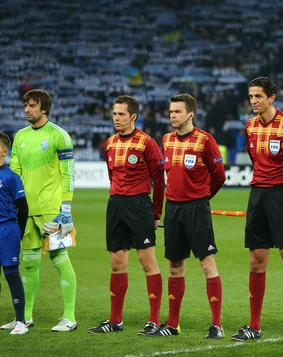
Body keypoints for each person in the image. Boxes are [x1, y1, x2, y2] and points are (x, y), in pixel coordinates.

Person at [230, 77, 283, 342]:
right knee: (256, 260)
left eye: (258, 97)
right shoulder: (250, 125)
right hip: (258, 195)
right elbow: (255, 159)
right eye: (251, 96)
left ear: (271, 98)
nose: (253, 101)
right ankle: (254, 326)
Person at [148, 94, 226, 337]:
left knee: (207, 264)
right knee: (174, 265)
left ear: (190, 114)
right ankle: (172, 324)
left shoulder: (205, 140)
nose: (172, 115)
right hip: (173, 209)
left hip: (196, 208)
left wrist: (202, 197)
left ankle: (217, 325)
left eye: (177, 112)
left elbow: (219, 175)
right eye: (171, 111)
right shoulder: (167, 140)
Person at [0, 89, 77, 332]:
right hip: (27, 211)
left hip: (52, 211)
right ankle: (25, 316)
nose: (27, 110)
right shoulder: (20, 136)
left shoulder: (59, 136)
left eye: (32, 106)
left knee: (60, 259)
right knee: (29, 263)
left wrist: (65, 209)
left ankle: (69, 317)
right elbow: (15, 173)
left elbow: (68, 174)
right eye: (25, 105)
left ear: (44, 108)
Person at [88, 95, 165, 335]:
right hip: (116, 205)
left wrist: (156, 212)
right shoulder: (110, 143)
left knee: (146, 262)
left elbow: (159, 181)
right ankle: (115, 321)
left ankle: (153, 320)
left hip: (139, 205)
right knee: (117, 263)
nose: (116, 118)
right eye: (114, 114)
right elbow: (112, 176)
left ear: (133, 116)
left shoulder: (146, 143)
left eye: (121, 114)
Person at [0, 132, 29, 335]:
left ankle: (21, 321)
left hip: (7, 228)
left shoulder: (10, 176)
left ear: (4, 151)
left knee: (11, 273)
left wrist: (18, 231)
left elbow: (23, 208)